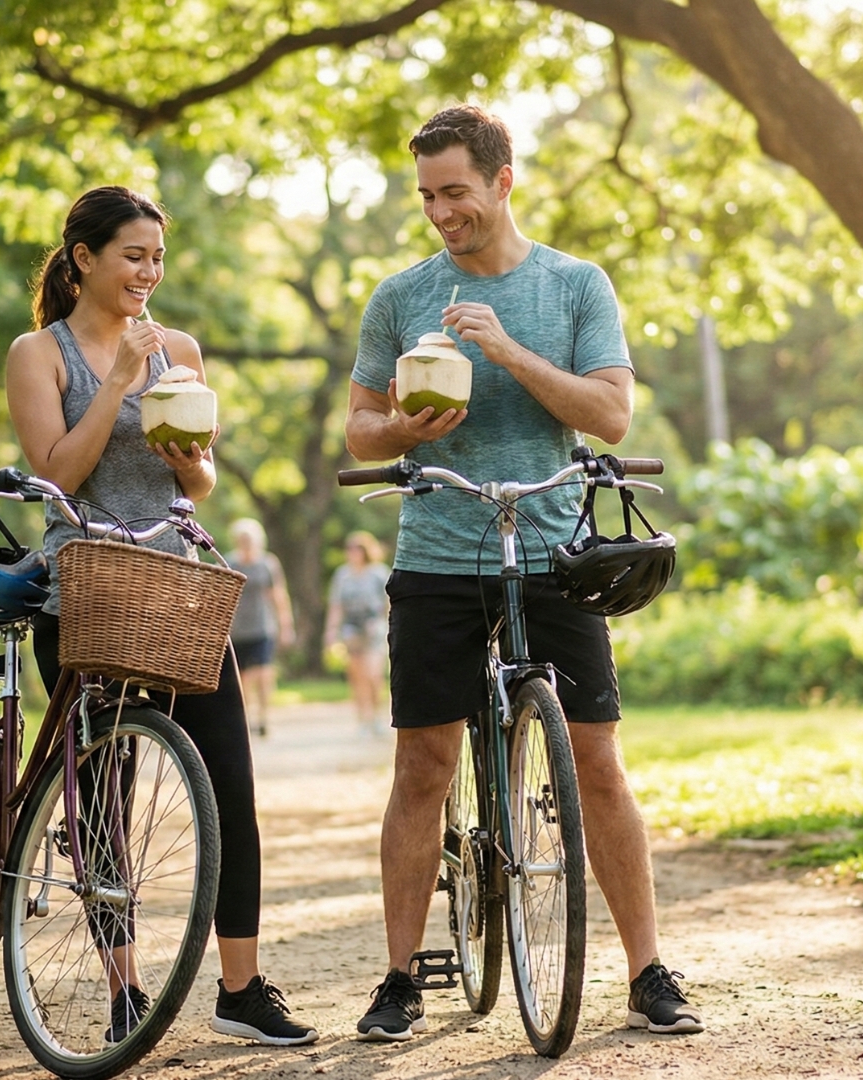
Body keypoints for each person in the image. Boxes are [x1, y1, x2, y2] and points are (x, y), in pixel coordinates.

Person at [343, 106, 702, 1041]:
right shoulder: (399, 296)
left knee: (596, 762)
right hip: (436, 551)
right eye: (426, 195)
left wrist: (504, 350)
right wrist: (403, 432)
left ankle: (649, 969)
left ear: (504, 182)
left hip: (553, 549)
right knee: (423, 764)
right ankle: (398, 978)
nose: (440, 212)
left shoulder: (576, 286)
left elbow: (611, 416)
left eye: (455, 191)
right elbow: (359, 429)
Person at [3, 184, 316, 1047]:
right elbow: (56, 475)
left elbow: (200, 480)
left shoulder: (181, 347)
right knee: (102, 796)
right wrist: (119, 384)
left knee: (231, 787)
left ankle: (242, 989)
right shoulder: (42, 354)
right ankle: (125, 991)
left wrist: (190, 460)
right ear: (84, 260)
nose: (149, 272)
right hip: (86, 591)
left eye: (157, 257)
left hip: (176, 591)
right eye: (133, 255)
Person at [226, 518, 295, 738]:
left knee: (263, 673)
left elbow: (278, 594)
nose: (246, 542)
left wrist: (286, 625)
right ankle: (247, 718)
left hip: (263, 626)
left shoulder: (267, 563)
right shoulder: (229, 562)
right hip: (237, 629)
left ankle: (264, 716)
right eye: (243, 538)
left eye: (250, 538)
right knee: (243, 678)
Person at [323, 531, 390, 733]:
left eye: (357, 549)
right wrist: (331, 631)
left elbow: (388, 602)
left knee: (373, 674)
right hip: (351, 627)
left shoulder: (378, 573)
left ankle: (377, 715)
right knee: (356, 675)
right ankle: (362, 718)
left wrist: (386, 624)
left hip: (373, 627)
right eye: (350, 549)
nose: (353, 553)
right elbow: (336, 605)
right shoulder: (342, 575)